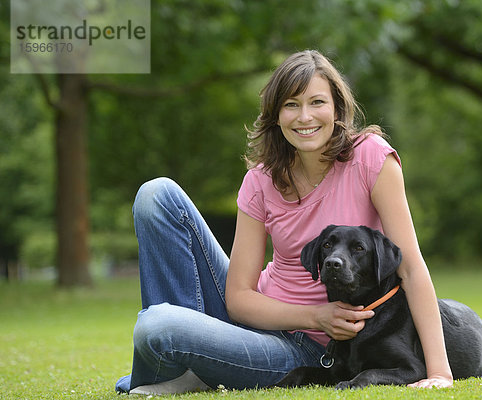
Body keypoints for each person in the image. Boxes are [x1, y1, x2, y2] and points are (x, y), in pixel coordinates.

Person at [115, 49, 453, 394]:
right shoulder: (260, 179)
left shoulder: (371, 159)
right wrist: (314, 315)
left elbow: (411, 269)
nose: (304, 116)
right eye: (291, 105)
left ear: (337, 108)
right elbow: (238, 297)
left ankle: (180, 366)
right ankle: (179, 367)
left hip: (310, 352)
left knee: (155, 326)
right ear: (276, 115)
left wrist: (439, 370)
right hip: (259, 322)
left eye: (317, 102)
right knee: (156, 194)